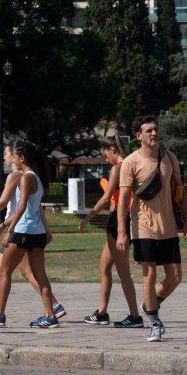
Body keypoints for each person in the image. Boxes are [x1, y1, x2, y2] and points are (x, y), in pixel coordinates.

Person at [117, 115, 187, 343]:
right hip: (142, 226)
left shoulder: (169, 157)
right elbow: (122, 200)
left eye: (155, 129)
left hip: (168, 226)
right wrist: (122, 231)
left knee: (176, 277)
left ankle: (150, 302)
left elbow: (180, 190)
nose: (153, 133)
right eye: (148, 130)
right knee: (149, 274)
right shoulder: (130, 162)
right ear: (138, 136)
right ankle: (154, 323)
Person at [0, 146, 66, 321]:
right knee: (39, 275)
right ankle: (50, 315)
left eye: (13, 156)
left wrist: (9, 229)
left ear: (22, 158)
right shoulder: (37, 177)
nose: (11, 159)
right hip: (37, 233)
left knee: (4, 271)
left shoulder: (26, 178)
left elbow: (21, 207)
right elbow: (35, 208)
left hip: (23, 231)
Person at [77, 136, 141, 327]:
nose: (106, 160)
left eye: (105, 155)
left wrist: (86, 218)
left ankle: (135, 316)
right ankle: (102, 312)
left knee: (123, 272)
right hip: (127, 219)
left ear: (113, 149)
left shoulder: (118, 168)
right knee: (104, 267)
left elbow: (105, 199)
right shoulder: (131, 164)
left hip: (117, 221)